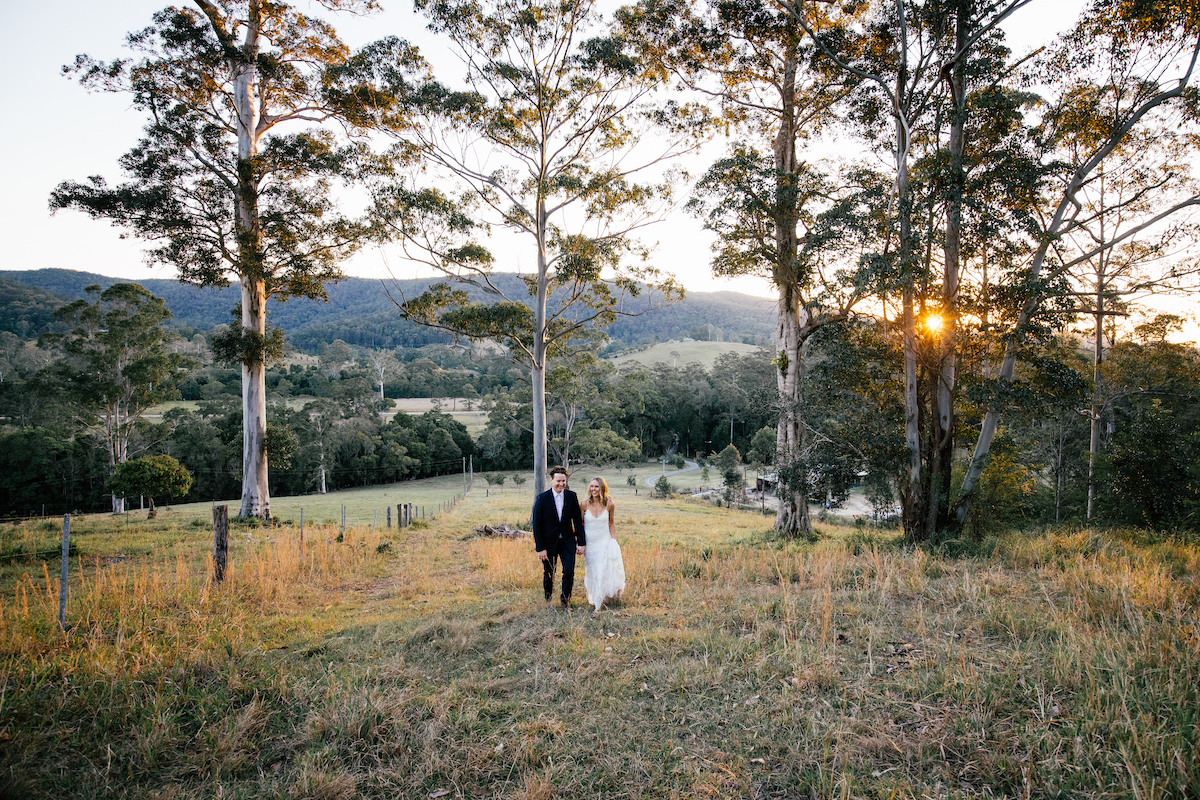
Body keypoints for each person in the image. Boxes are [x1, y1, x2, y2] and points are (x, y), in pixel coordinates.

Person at [531, 466, 586, 607]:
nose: (561, 484)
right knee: (549, 572)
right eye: (558, 481)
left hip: (567, 542)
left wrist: (581, 543)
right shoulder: (542, 498)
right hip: (549, 543)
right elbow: (537, 525)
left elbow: (577, 521)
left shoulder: (571, 496)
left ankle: (565, 600)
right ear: (551, 480)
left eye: (563, 481)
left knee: (569, 571)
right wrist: (540, 548)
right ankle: (548, 598)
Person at [581, 477, 625, 612]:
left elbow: (611, 523)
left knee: (601, 570)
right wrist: (580, 542)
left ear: (602, 488)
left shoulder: (609, 504)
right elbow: (581, 524)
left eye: (596, 486)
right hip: (590, 543)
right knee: (592, 571)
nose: (593, 489)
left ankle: (599, 604)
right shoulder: (584, 504)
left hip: (604, 541)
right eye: (592, 486)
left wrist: (613, 541)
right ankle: (595, 597)